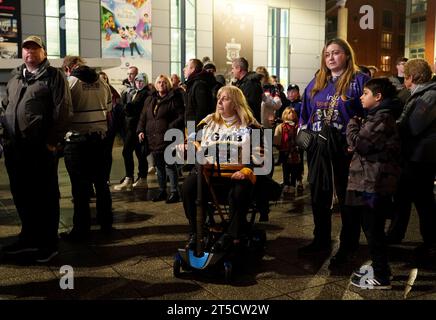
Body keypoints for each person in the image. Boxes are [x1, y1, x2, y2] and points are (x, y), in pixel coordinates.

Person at [0, 36, 72, 262]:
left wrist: (52, 141)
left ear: (43, 52)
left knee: (45, 196)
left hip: (40, 149)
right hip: (15, 148)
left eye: (34, 48)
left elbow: (63, 111)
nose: (29, 51)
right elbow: (5, 108)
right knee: (22, 195)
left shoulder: (53, 76)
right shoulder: (15, 78)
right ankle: (29, 237)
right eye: (26, 48)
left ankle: (48, 243)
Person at [298, 38, 369, 256]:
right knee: (319, 196)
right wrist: (303, 134)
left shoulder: (359, 80)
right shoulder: (318, 80)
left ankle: (349, 244)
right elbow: (305, 112)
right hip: (318, 148)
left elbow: (369, 113)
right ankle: (320, 240)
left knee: (347, 199)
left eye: (336, 53)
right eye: (327, 54)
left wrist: (357, 142)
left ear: (347, 55)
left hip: (345, 150)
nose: (331, 57)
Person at [182, 86, 264, 252]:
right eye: (219, 97)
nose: (219, 101)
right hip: (209, 175)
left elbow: (261, 153)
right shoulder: (208, 122)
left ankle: (232, 236)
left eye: (225, 98)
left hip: (237, 176)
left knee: (240, 191)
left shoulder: (250, 125)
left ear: (235, 103)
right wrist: (191, 150)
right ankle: (197, 231)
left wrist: (246, 171)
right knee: (188, 187)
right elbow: (193, 142)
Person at [346, 78, 401, 289]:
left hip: (373, 184)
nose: (361, 96)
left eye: (366, 93)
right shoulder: (378, 116)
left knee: (373, 229)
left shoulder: (382, 117)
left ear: (378, 97)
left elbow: (360, 143)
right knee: (372, 227)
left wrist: (352, 124)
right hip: (370, 181)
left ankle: (381, 276)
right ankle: (382, 270)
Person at [386, 59, 436, 262]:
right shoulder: (422, 93)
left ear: (412, 77)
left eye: (404, 75)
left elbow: (413, 126)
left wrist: (390, 126)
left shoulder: (429, 95)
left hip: (421, 157)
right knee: (402, 196)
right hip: (414, 156)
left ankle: (431, 242)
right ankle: (396, 234)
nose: (403, 79)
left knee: (423, 201)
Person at [61, 56, 113, 242]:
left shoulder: (70, 82)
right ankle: (106, 222)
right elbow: (108, 111)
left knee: (80, 188)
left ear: (68, 69)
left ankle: (81, 229)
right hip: (99, 140)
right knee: (101, 184)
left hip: (77, 141)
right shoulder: (101, 81)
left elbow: (64, 112)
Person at [137, 75, 184, 202]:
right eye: (159, 82)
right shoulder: (150, 99)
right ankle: (162, 191)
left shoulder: (174, 98)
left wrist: (170, 126)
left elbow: (181, 116)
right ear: (155, 84)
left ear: (168, 84)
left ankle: (174, 192)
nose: (161, 84)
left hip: (168, 136)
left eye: (164, 82)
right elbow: (143, 116)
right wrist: (140, 130)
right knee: (159, 167)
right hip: (153, 137)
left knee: (170, 165)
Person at [114, 72, 151, 191]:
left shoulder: (144, 93)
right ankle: (141, 179)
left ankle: (130, 178)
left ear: (145, 82)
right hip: (134, 127)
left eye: (141, 81)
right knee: (139, 153)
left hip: (136, 127)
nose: (138, 83)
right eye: (137, 81)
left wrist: (122, 107)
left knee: (127, 152)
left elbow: (132, 108)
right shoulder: (138, 92)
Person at [273, 107, 302, 194]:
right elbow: (277, 138)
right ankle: (286, 184)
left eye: (293, 113)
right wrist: (278, 145)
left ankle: (293, 185)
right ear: (285, 114)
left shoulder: (297, 126)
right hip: (284, 151)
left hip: (295, 152)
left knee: (294, 169)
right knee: (285, 169)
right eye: (289, 113)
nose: (292, 114)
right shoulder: (281, 126)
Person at [183, 58, 216, 128]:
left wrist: (196, 129)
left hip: (197, 127)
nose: (184, 69)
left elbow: (202, 110)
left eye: (186, 66)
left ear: (193, 69)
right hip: (192, 126)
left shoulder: (199, 85)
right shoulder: (194, 83)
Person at [231, 57, 263, 123]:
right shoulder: (242, 83)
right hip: (245, 122)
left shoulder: (251, 84)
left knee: (257, 133)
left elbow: (249, 105)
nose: (232, 71)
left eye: (233, 68)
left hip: (251, 124)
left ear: (239, 68)